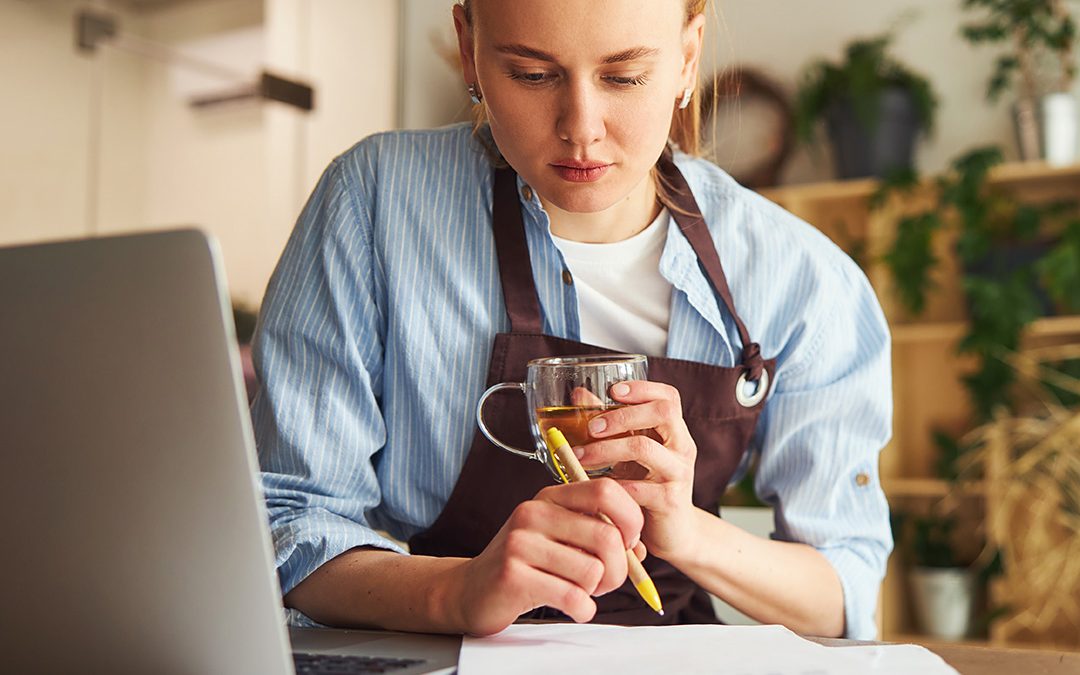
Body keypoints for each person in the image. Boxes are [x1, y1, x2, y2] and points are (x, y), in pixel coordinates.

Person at [253, 0, 892, 640]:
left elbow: (843, 596)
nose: (581, 128)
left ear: (688, 56)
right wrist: (456, 591)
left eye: (624, 77)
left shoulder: (802, 279)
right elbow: (289, 526)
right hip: (432, 648)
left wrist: (689, 532)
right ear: (469, 46)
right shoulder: (372, 203)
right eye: (533, 75)